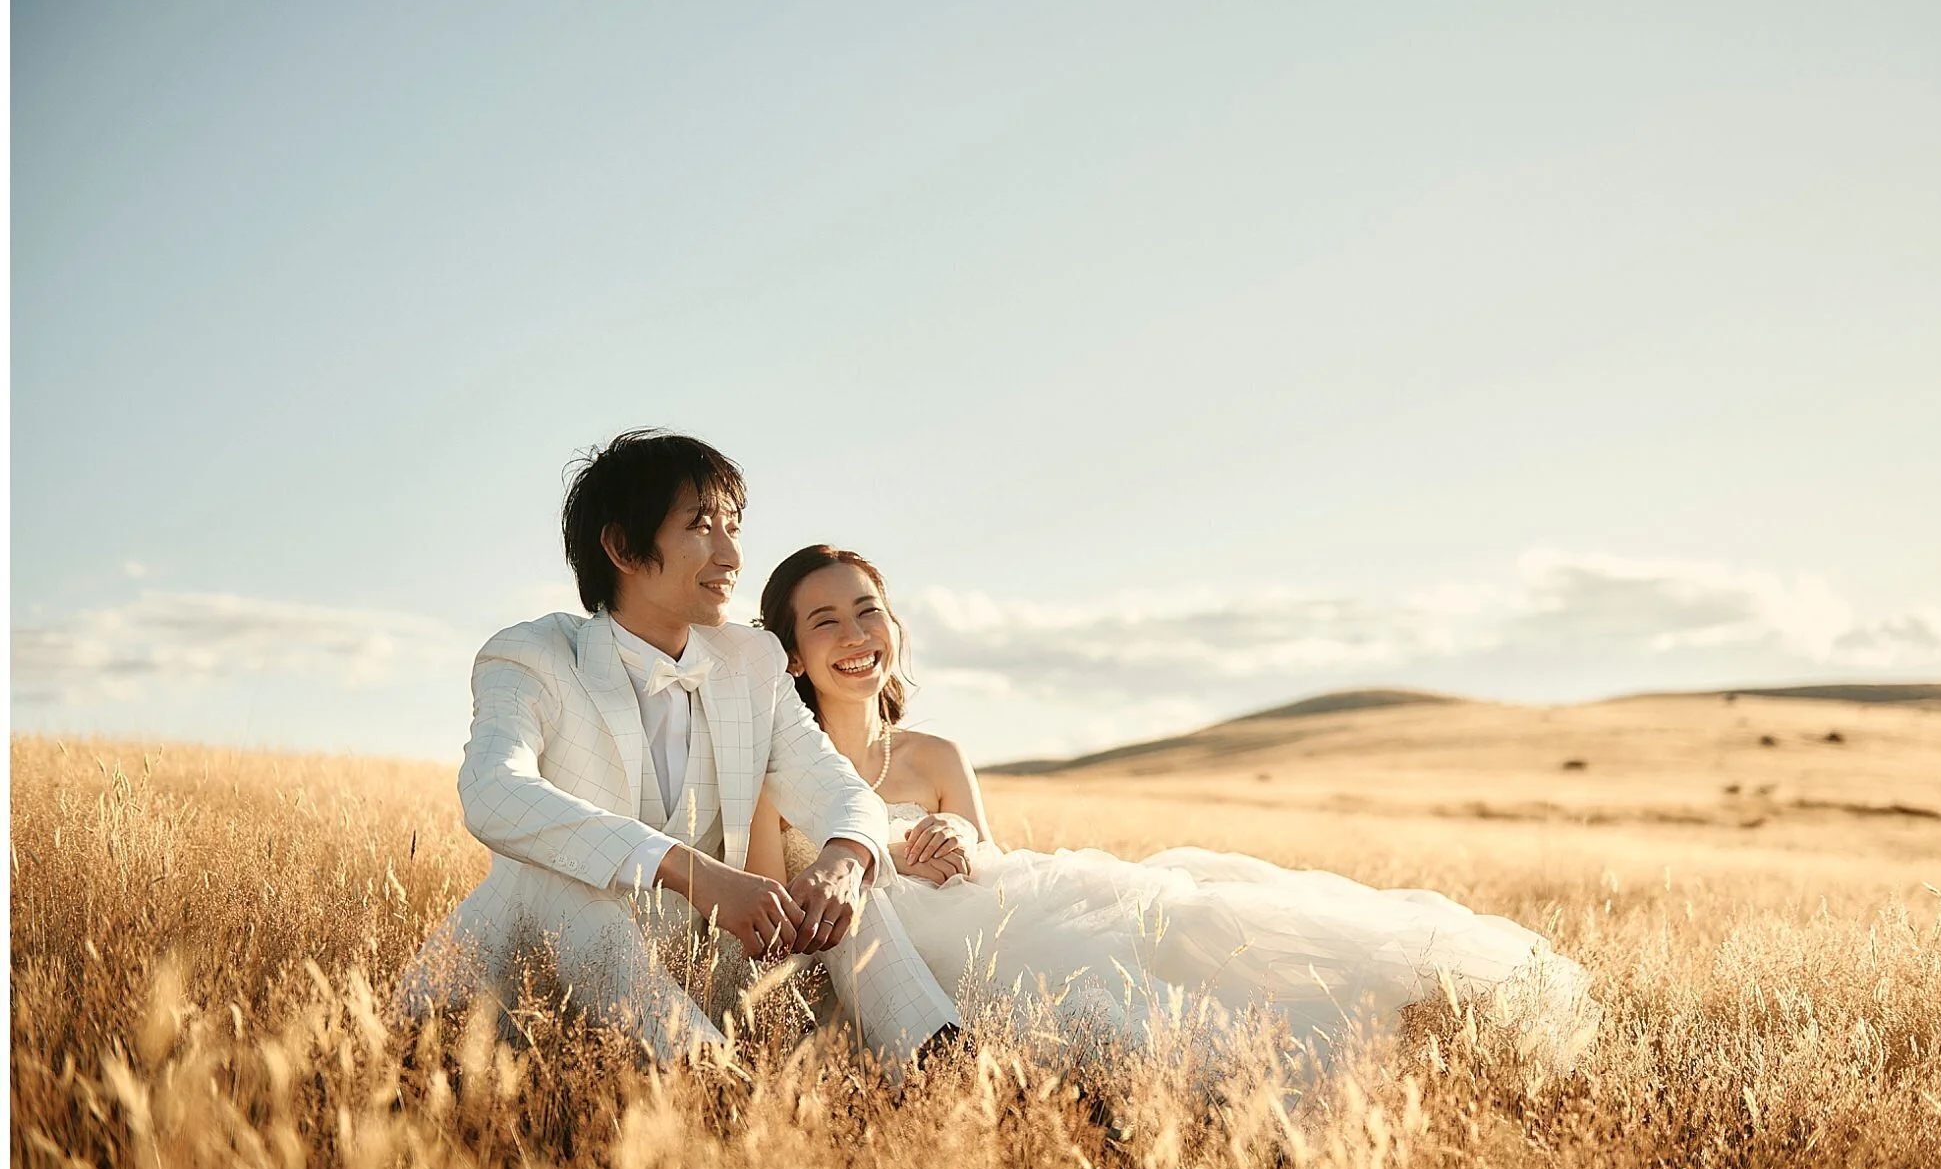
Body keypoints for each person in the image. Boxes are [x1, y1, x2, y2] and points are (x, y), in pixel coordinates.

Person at [751, 545, 1599, 1068]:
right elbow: (768, 910)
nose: (856, 635)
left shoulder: (935, 756)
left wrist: (956, 846)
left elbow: (994, 862)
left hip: (990, 913)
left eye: (869, 610)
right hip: (888, 958)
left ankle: (1399, 1016)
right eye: (825, 621)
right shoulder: (777, 779)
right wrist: (889, 858)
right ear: (791, 655)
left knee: (1178, 926)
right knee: (1114, 1014)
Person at [394, 433, 960, 1068]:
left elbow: (837, 789)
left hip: (710, 978)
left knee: (840, 876)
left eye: (734, 527)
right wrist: (696, 875)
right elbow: (494, 793)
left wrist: (845, 860)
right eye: (700, 526)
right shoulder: (532, 656)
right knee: (555, 879)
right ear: (622, 547)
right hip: (532, 990)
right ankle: (711, 1091)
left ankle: (950, 1069)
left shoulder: (751, 662)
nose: (730, 554)